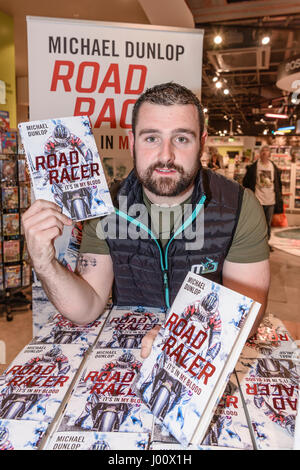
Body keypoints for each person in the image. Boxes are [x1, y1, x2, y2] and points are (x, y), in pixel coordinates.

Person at [22, 82, 270, 358]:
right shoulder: (106, 207)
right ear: (132, 142)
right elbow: (87, 307)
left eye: (182, 139)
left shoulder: (238, 205)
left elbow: (248, 310)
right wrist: (45, 263)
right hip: (124, 358)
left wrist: (181, 336)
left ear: (202, 142)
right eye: (151, 138)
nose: (166, 155)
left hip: (206, 355)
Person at [242, 145, 283, 245]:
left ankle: (266, 243)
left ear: (269, 154)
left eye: (266, 151)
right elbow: (245, 182)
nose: (264, 153)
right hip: (257, 200)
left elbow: (278, 184)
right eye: (263, 151)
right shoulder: (253, 167)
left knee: (268, 224)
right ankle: (257, 244)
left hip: (270, 200)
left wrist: (279, 197)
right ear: (260, 154)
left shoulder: (274, 167)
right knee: (257, 223)